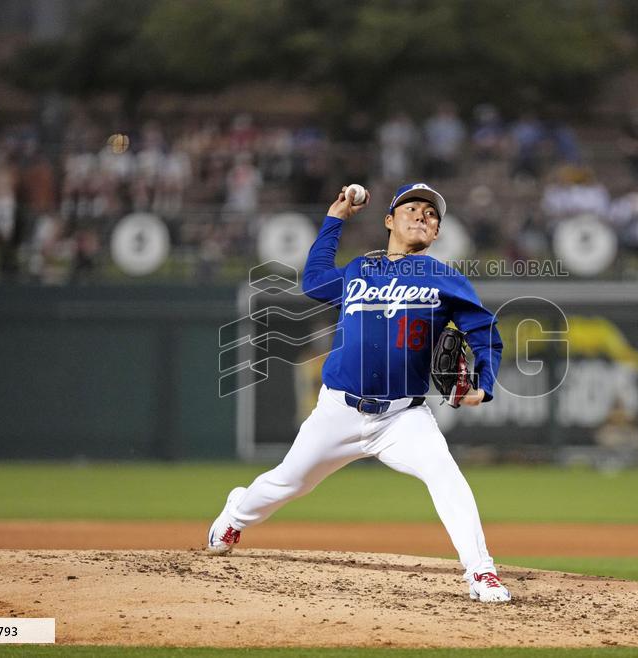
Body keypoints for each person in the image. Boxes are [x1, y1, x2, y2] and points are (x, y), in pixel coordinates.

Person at [207, 182, 511, 603]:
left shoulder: (445, 279)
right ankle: (235, 513)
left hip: (402, 417)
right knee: (288, 483)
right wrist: (334, 222)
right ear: (389, 221)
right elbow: (313, 283)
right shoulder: (359, 270)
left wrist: (485, 384)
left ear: (437, 233)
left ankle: (481, 572)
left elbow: (485, 333)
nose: (422, 215)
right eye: (412, 208)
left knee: (447, 477)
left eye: (431, 214)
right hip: (339, 411)